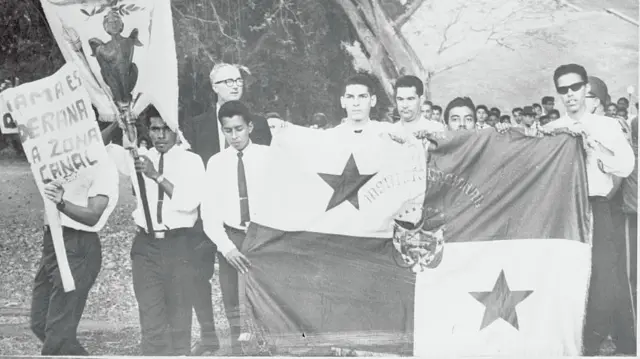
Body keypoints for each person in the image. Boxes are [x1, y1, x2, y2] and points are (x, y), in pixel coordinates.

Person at [180, 63, 272, 355]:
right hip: (216, 222)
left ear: (249, 128)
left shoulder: (259, 129)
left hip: (258, 231)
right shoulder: (198, 126)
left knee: (262, 297)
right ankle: (211, 337)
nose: (234, 84)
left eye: (238, 79)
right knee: (219, 287)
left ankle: (261, 346)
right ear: (214, 87)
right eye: (227, 81)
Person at [543, 64, 635, 355]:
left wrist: (594, 147)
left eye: (574, 88)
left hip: (597, 206)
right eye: (563, 90)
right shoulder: (551, 129)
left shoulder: (606, 126)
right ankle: (567, 342)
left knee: (602, 280)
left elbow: (625, 165)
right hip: (561, 211)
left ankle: (592, 345)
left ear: (585, 89)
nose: (569, 94)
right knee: (566, 277)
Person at [129, 106, 205, 355]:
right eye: (154, 129)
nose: (160, 135)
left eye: (166, 129)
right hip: (146, 246)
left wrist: (157, 176)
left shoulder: (191, 161)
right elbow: (102, 150)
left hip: (179, 244)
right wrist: (122, 122)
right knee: (151, 318)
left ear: (177, 130)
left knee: (179, 316)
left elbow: (189, 202)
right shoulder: (138, 159)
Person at [201, 100, 271, 355]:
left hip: (264, 239)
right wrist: (227, 248)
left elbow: (282, 199)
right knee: (235, 307)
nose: (234, 136)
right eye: (228, 130)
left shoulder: (268, 156)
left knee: (266, 304)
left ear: (250, 126)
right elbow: (209, 213)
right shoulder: (216, 163)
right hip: (232, 238)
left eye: (239, 129)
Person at [30, 159, 119, 355]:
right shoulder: (64, 156)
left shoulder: (104, 165)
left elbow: (92, 215)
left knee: (57, 334)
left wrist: (62, 203)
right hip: (53, 240)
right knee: (40, 322)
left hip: (78, 244)